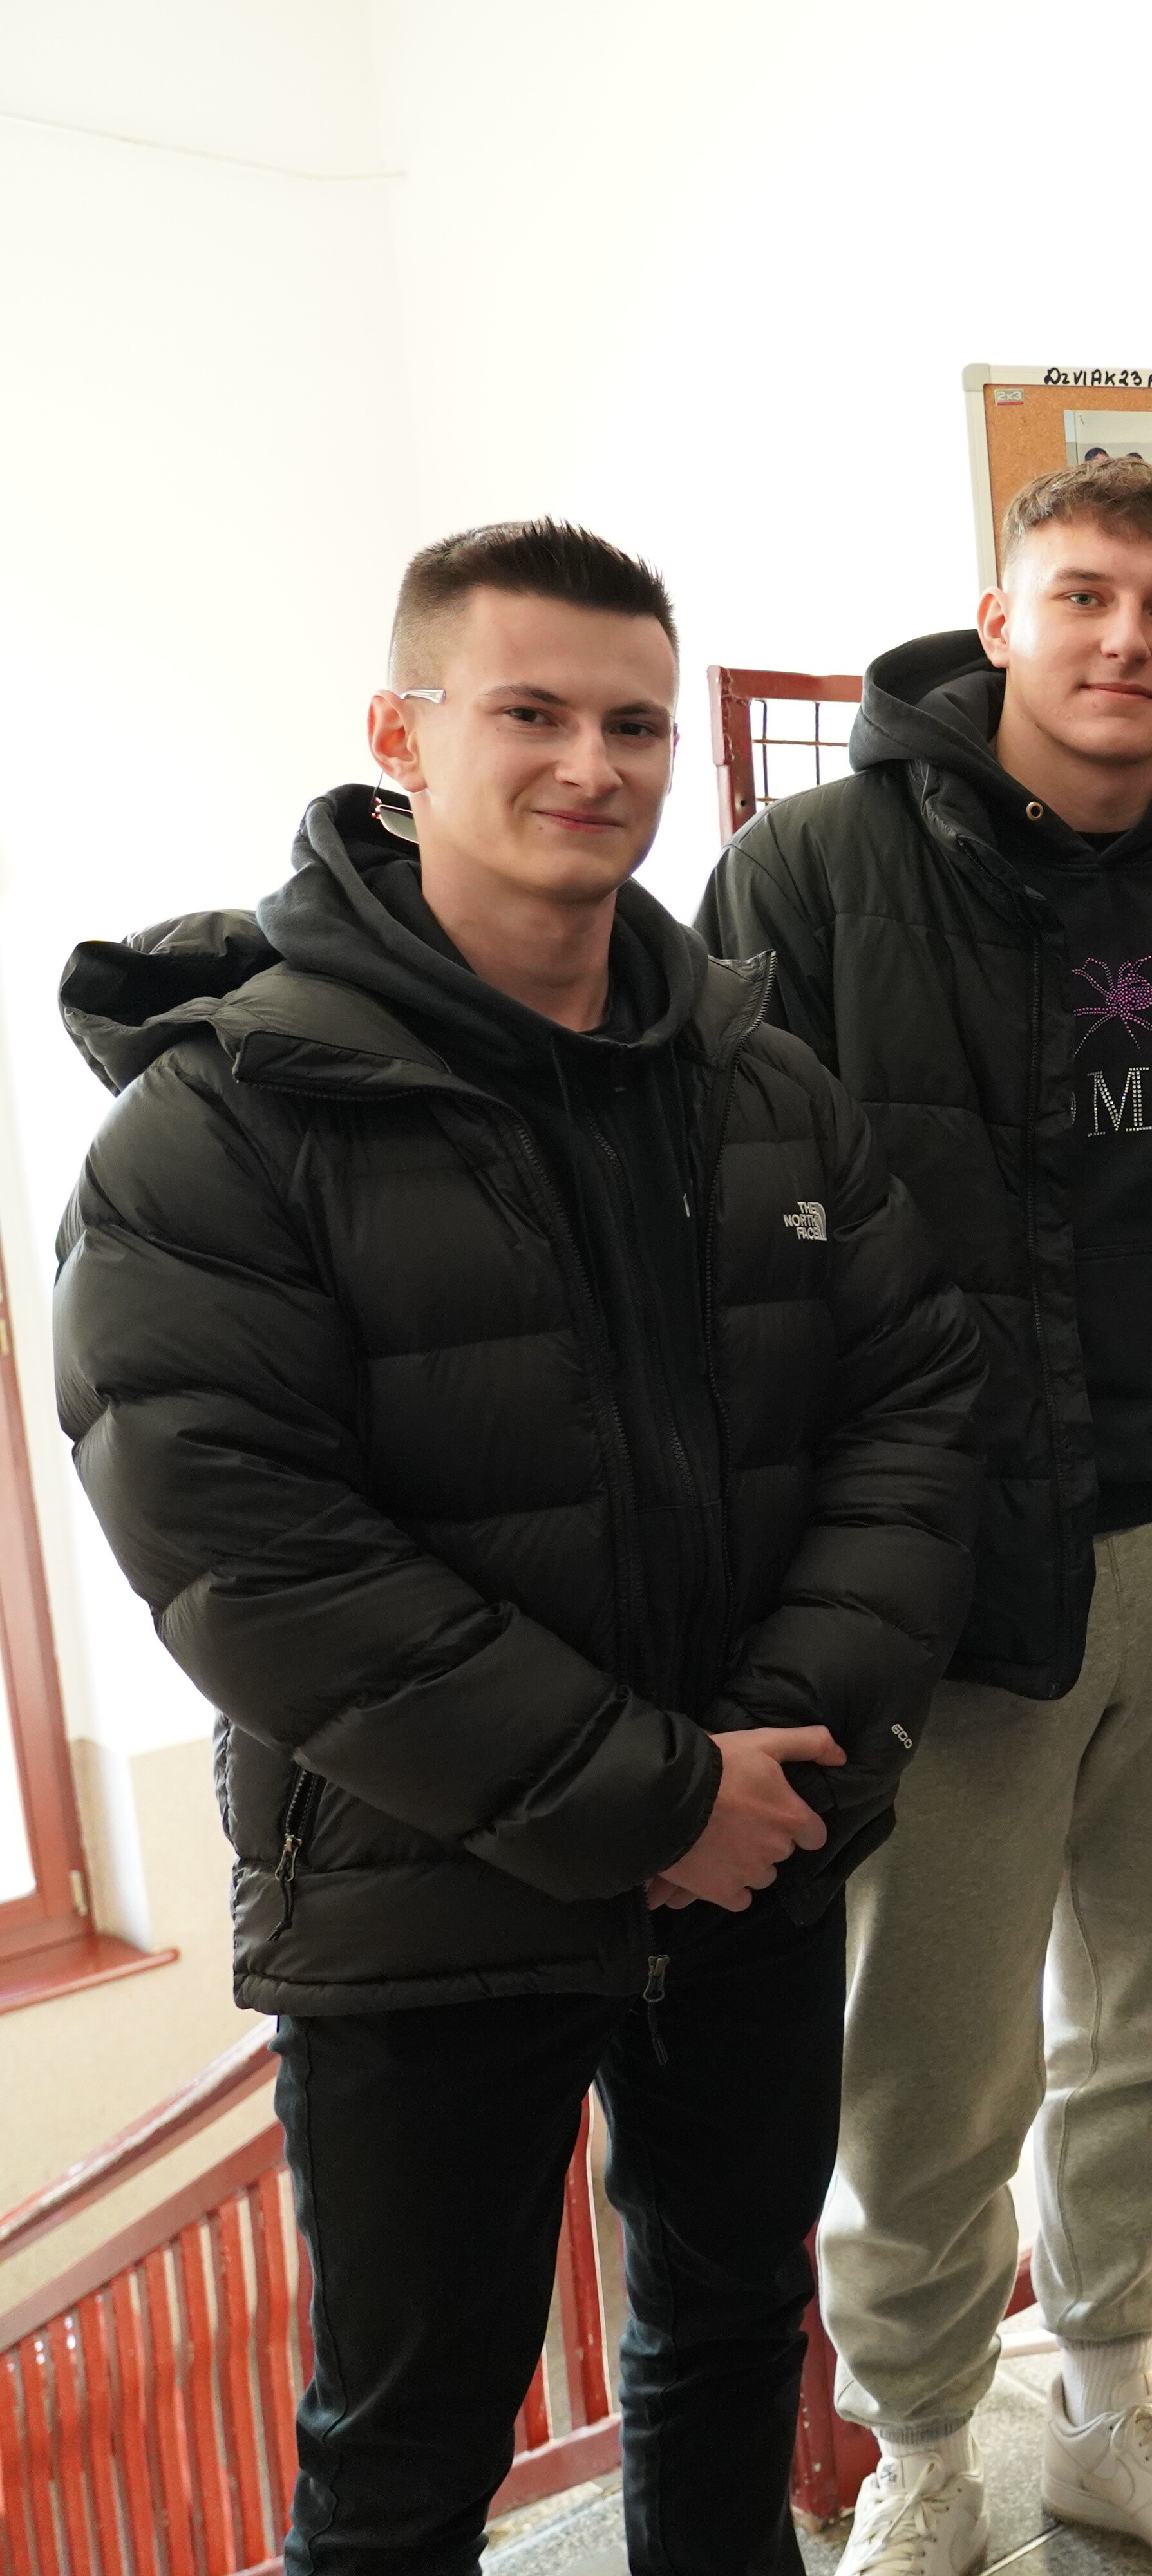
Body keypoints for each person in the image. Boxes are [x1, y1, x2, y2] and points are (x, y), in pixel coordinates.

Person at [55, 520, 985, 2576]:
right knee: (409, 2451)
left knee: (731, 2339)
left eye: (633, 723)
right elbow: (242, 1545)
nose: (593, 764)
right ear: (401, 737)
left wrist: (756, 1766)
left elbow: (916, 1409)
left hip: (758, 1846)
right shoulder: (219, 1127)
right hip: (425, 1888)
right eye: (532, 713)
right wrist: (647, 1797)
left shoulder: (761, 1082)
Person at [697, 457, 1152, 2576]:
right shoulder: (809, 871)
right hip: (945, 1560)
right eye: (1083, 596)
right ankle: (923, 2445)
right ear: (1000, 619)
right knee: (933, 2057)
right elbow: (731, 1246)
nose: (1124, 639)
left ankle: (1115, 2397)